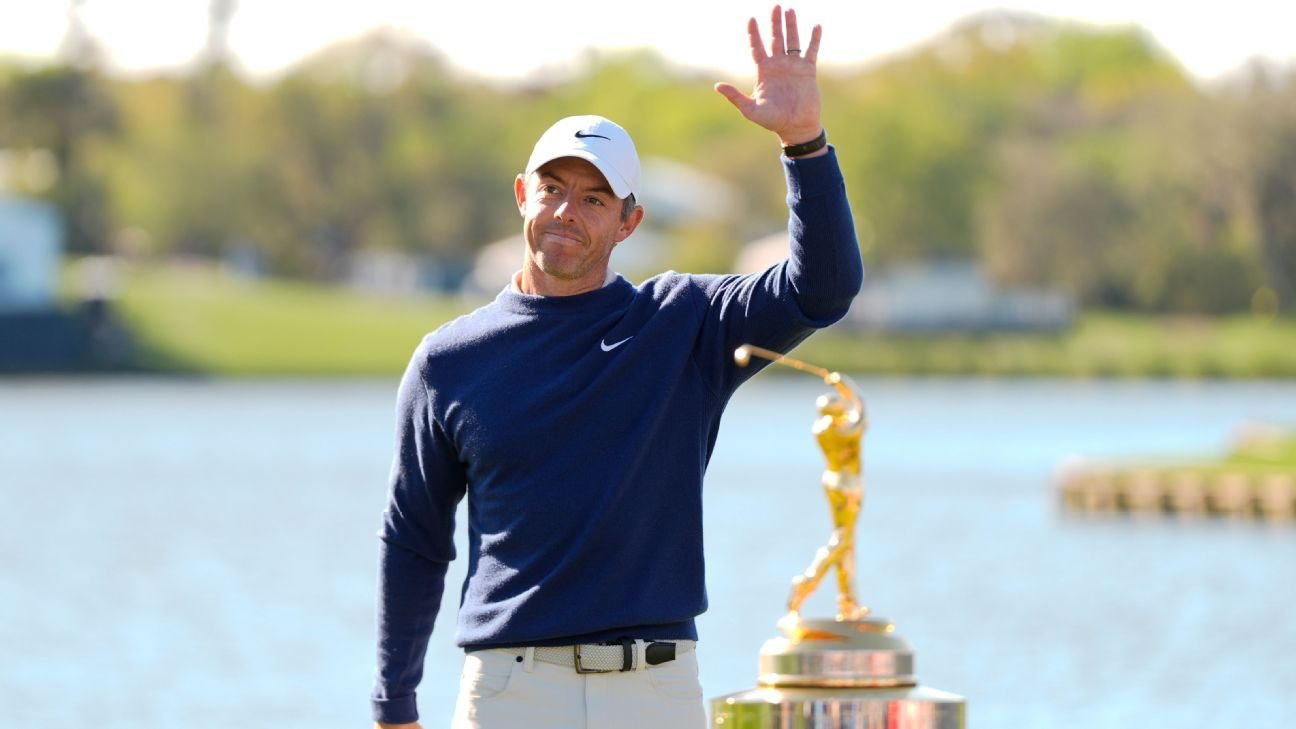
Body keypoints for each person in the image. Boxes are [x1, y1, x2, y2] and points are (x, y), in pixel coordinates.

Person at [372, 6, 864, 728]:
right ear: (523, 195)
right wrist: (394, 704)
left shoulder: (684, 323)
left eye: (594, 198)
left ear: (629, 221)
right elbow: (414, 538)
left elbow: (823, 289)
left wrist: (804, 144)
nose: (567, 211)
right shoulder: (448, 361)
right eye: (553, 189)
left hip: (654, 690)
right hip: (511, 692)